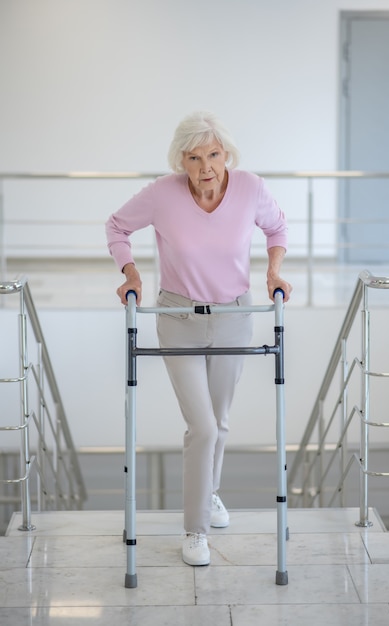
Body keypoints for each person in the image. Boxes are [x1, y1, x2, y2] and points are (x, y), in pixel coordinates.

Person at [105, 111, 292, 567]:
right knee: (202, 426)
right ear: (181, 160)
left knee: (220, 420)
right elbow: (116, 226)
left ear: (226, 154)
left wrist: (273, 271)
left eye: (213, 154)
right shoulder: (162, 194)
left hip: (234, 315)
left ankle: (209, 495)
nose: (206, 165)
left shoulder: (249, 187)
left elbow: (277, 228)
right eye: (194, 157)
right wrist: (131, 274)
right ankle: (195, 530)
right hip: (178, 315)